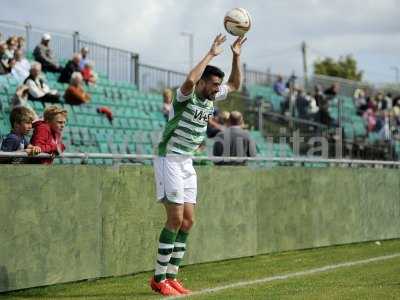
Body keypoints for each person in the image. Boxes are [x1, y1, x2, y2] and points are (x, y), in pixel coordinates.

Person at [150, 33, 246, 296]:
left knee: (188, 221)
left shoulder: (212, 97)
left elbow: (236, 84)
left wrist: (236, 55)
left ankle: (172, 277)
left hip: (187, 163)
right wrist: (212, 53)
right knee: (175, 219)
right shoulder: (186, 97)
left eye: (218, 85)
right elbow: (191, 79)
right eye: (214, 84)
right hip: (169, 158)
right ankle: (158, 279)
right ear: (203, 82)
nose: (218, 88)